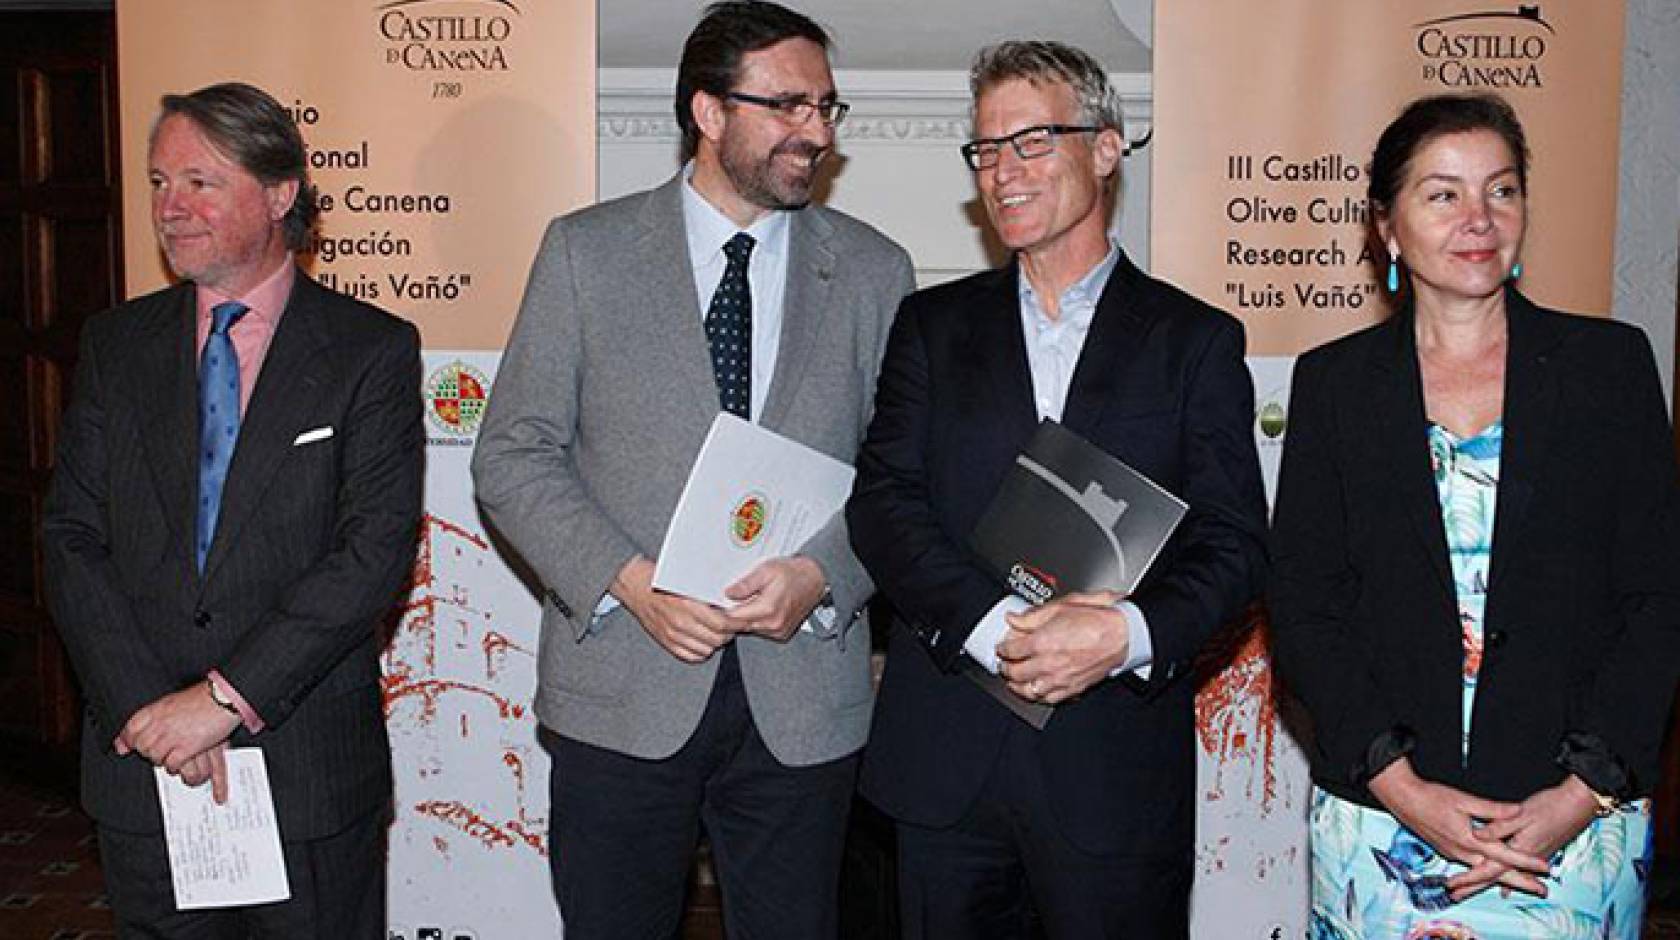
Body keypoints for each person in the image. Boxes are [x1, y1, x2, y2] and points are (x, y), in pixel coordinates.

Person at [470, 2, 915, 935]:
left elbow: (902, 473)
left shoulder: (875, 270)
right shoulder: (584, 253)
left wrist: (823, 575)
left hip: (803, 696)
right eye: (788, 105)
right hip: (622, 689)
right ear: (708, 113)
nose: (816, 133)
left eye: (828, 109)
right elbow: (513, 453)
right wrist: (632, 584)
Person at [847, 40, 1268, 938]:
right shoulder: (930, 325)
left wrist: (1123, 635)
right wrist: (991, 625)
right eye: (987, 150)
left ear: (1106, 149)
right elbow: (884, 502)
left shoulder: (1195, 341)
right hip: (947, 767)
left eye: (1032, 142)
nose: (1003, 173)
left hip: (1111, 772)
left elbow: (1234, 543)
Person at [1269, 93, 1680, 937]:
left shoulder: (1611, 369)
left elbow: (1659, 598)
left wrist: (1581, 792)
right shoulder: (1334, 385)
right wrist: (1405, 792)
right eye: (1443, 193)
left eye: (1502, 190)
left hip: (1575, 832)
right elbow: (1308, 607)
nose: (1479, 219)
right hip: (1383, 827)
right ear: (1385, 225)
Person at [42, 82, 423, 936]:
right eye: (157, 182)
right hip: (146, 769)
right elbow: (71, 539)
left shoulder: (371, 350)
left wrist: (222, 698)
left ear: (280, 194)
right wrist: (155, 713)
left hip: (306, 776)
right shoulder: (116, 344)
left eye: (200, 182)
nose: (169, 207)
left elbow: (371, 554)